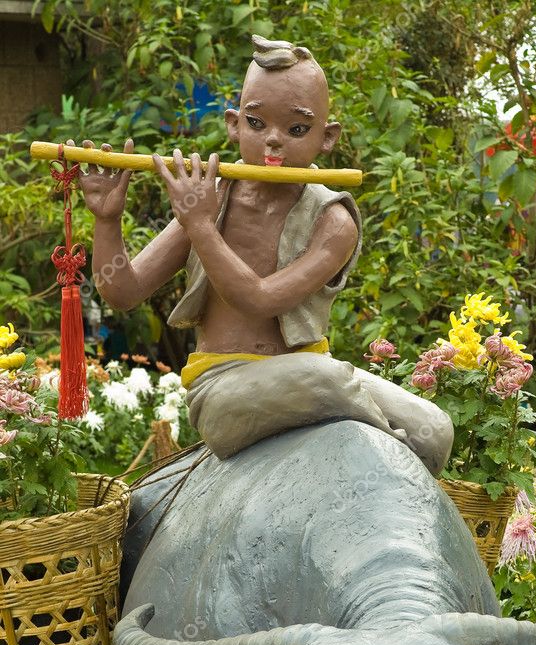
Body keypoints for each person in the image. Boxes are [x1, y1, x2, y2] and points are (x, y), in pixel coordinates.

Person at [71, 35, 453, 475]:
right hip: (226, 389)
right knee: (324, 378)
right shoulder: (210, 201)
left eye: (296, 129)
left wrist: (199, 226)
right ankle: (383, 454)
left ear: (327, 137)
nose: (273, 142)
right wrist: (107, 219)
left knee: (435, 427)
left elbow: (261, 299)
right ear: (234, 124)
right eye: (256, 124)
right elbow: (121, 291)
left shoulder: (333, 219)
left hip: (312, 374)